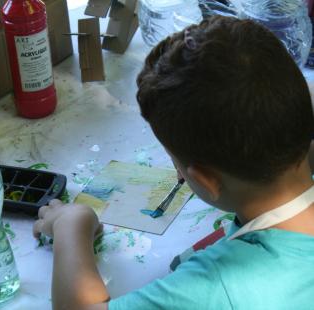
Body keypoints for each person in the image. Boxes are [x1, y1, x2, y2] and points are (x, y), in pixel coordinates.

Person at [33, 16, 314, 310]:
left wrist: (71, 226)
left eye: (176, 164)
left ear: (206, 181)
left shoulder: (218, 285)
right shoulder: (297, 135)